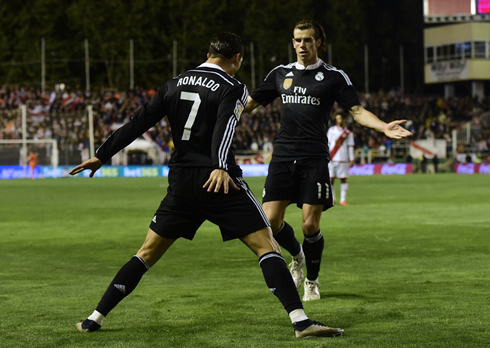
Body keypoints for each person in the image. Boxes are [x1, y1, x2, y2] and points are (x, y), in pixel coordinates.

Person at [69, 32, 343, 339]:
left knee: (146, 253)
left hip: (182, 184)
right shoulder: (233, 86)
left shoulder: (174, 83)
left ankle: (95, 317)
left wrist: (101, 156)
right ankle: (301, 322)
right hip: (218, 181)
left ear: (208, 52)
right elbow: (225, 127)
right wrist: (221, 166)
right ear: (237, 59)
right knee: (267, 246)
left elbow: (138, 122)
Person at [244, 20, 412, 301]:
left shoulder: (334, 76)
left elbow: (357, 111)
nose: (301, 46)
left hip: (314, 158)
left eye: (307, 40)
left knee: (310, 225)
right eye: (297, 40)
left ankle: (312, 280)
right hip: (283, 156)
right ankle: (297, 256)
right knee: (270, 222)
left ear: (319, 42)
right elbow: (249, 104)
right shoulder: (280, 73)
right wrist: (220, 111)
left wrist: (383, 126)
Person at [327, 111, 354, 206]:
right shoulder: (331, 130)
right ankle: (332, 198)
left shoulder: (348, 133)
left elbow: (350, 146)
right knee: (331, 179)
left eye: (340, 119)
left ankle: (343, 200)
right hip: (332, 158)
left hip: (343, 159)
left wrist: (352, 158)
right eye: (337, 119)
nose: (338, 121)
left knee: (343, 179)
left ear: (344, 120)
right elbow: (328, 144)